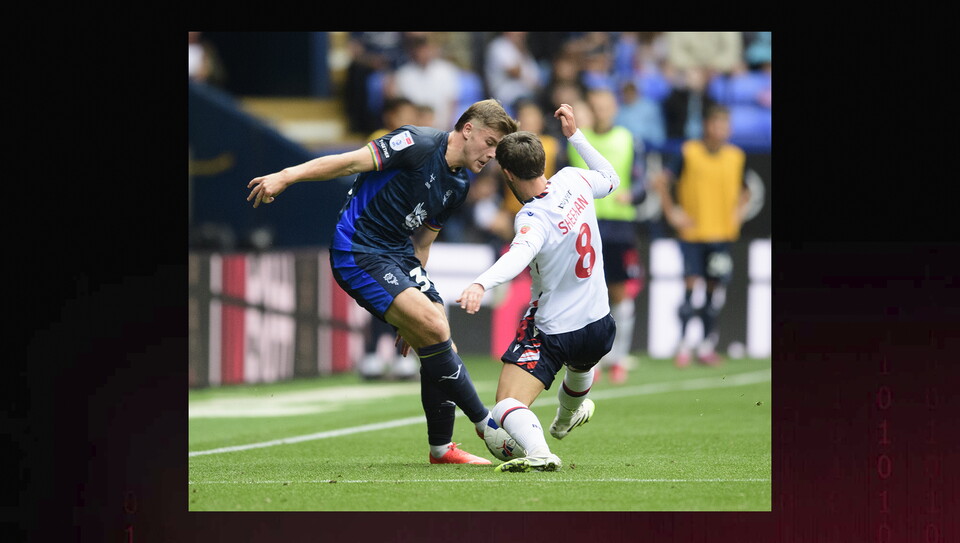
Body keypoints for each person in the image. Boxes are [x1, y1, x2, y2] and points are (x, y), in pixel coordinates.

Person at [247, 99, 520, 464]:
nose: (492, 154)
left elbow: (423, 243)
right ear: (467, 129)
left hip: (399, 258)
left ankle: (441, 449)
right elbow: (346, 161)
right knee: (435, 327)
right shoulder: (417, 143)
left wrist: (413, 299)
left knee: (439, 340)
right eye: (490, 142)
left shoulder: (457, 186)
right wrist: (286, 176)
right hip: (357, 249)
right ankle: (486, 424)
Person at [457, 103, 619, 472]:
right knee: (581, 367)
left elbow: (518, 255)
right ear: (542, 161)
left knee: (505, 405)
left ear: (508, 173)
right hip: (599, 324)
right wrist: (575, 135)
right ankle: (563, 422)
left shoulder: (530, 217)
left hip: (553, 330)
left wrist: (481, 283)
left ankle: (540, 451)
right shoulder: (573, 179)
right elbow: (610, 177)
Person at [650, 104, 750, 367]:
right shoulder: (689, 152)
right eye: (716, 124)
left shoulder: (736, 156)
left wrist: (736, 215)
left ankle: (706, 344)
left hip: (722, 235)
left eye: (725, 125)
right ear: (707, 126)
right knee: (690, 285)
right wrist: (672, 213)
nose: (720, 130)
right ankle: (683, 345)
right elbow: (662, 181)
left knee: (713, 289)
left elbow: (746, 190)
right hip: (692, 233)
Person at [566, 88, 646, 384]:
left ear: (614, 108)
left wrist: (633, 195)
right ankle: (591, 359)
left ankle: (619, 357)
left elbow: (640, 182)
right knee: (586, 292)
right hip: (585, 223)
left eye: (606, 106)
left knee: (620, 291)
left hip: (619, 225)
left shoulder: (628, 139)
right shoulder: (577, 140)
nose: (601, 111)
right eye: (596, 106)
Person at [392, 33, 461, 130]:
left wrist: (446, 129)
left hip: (441, 127)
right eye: (420, 49)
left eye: (427, 48)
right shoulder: (403, 74)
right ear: (414, 50)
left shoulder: (447, 70)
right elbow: (402, 108)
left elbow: (452, 103)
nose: (424, 52)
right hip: (413, 128)